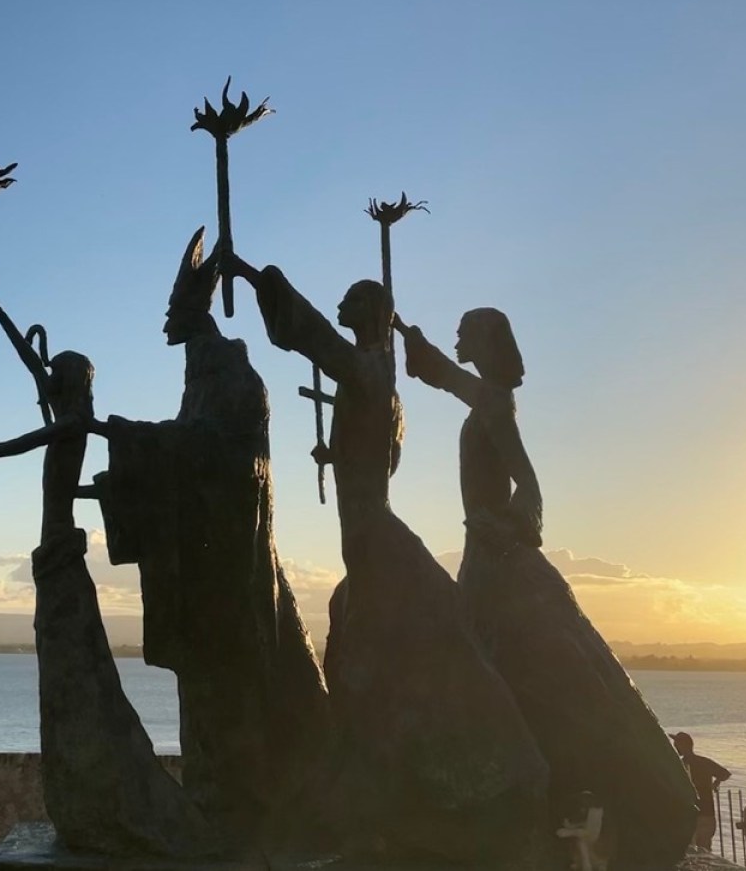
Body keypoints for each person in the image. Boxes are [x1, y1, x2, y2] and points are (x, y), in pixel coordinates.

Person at [225, 255, 547, 862]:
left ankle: (454, 781)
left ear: (368, 312)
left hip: (374, 532)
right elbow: (380, 448)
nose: (342, 308)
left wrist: (259, 277)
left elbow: (318, 341)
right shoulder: (376, 376)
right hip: (364, 533)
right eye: (340, 302)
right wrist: (338, 454)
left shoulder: (370, 368)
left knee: (396, 648)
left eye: (351, 301)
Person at [0, 296, 218, 858]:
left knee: (73, 675)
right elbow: (33, 366)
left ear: (64, 387)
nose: (44, 387)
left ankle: (96, 796)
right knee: (72, 675)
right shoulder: (69, 415)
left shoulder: (69, 425)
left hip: (61, 563)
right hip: (57, 560)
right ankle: (85, 794)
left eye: (52, 380)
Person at [398, 309, 699, 864]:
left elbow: (528, 480)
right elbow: (446, 377)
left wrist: (507, 524)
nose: (458, 337)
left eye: (466, 331)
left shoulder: (492, 403)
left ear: (487, 341)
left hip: (497, 565)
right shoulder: (486, 398)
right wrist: (411, 343)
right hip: (483, 561)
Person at [91, 229, 329, 847]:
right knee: (205, 692)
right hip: (209, 578)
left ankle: (235, 805)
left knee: (228, 691)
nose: (168, 326)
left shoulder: (234, 381)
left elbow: (217, 457)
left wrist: (128, 437)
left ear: (194, 318)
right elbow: (186, 441)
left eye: (177, 312)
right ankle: (215, 799)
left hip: (229, 580)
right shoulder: (205, 375)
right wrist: (133, 450)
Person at [672, 731, 731, 850]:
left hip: (691, 814)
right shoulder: (704, 762)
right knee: (705, 851)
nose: (674, 745)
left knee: (690, 852)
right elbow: (725, 774)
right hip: (708, 813)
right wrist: (715, 783)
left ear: (682, 745)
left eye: (676, 743)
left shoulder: (680, 765)